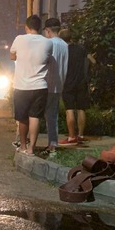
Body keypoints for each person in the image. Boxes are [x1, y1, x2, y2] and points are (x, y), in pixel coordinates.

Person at [10, 15, 53, 156]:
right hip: (40, 86)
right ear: (40, 28)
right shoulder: (48, 43)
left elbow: (12, 56)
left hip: (22, 86)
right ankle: (31, 149)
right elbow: (47, 59)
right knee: (35, 117)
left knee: (22, 118)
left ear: (26, 27)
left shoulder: (19, 39)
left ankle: (22, 146)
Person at [59, 28, 93, 145]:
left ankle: (71, 137)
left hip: (67, 83)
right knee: (81, 109)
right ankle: (81, 135)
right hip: (81, 82)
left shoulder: (62, 50)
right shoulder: (81, 48)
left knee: (69, 110)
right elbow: (93, 61)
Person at [42, 18, 69, 153]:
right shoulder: (65, 45)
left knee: (37, 114)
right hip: (59, 85)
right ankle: (53, 143)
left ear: (47, 31)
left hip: (46, 84)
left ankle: (31, 143)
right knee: (53, 115)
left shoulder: (48, 44)